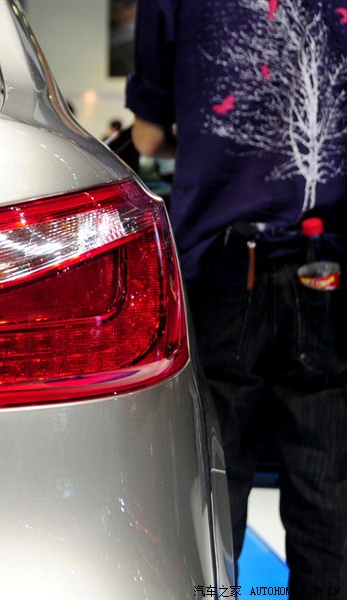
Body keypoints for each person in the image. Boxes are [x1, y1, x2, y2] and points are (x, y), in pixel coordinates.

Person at [125, 0, 347, 597]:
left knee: (216, 490)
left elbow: (149, 134)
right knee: (327, 490)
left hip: (223, 263)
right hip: (325, 262)